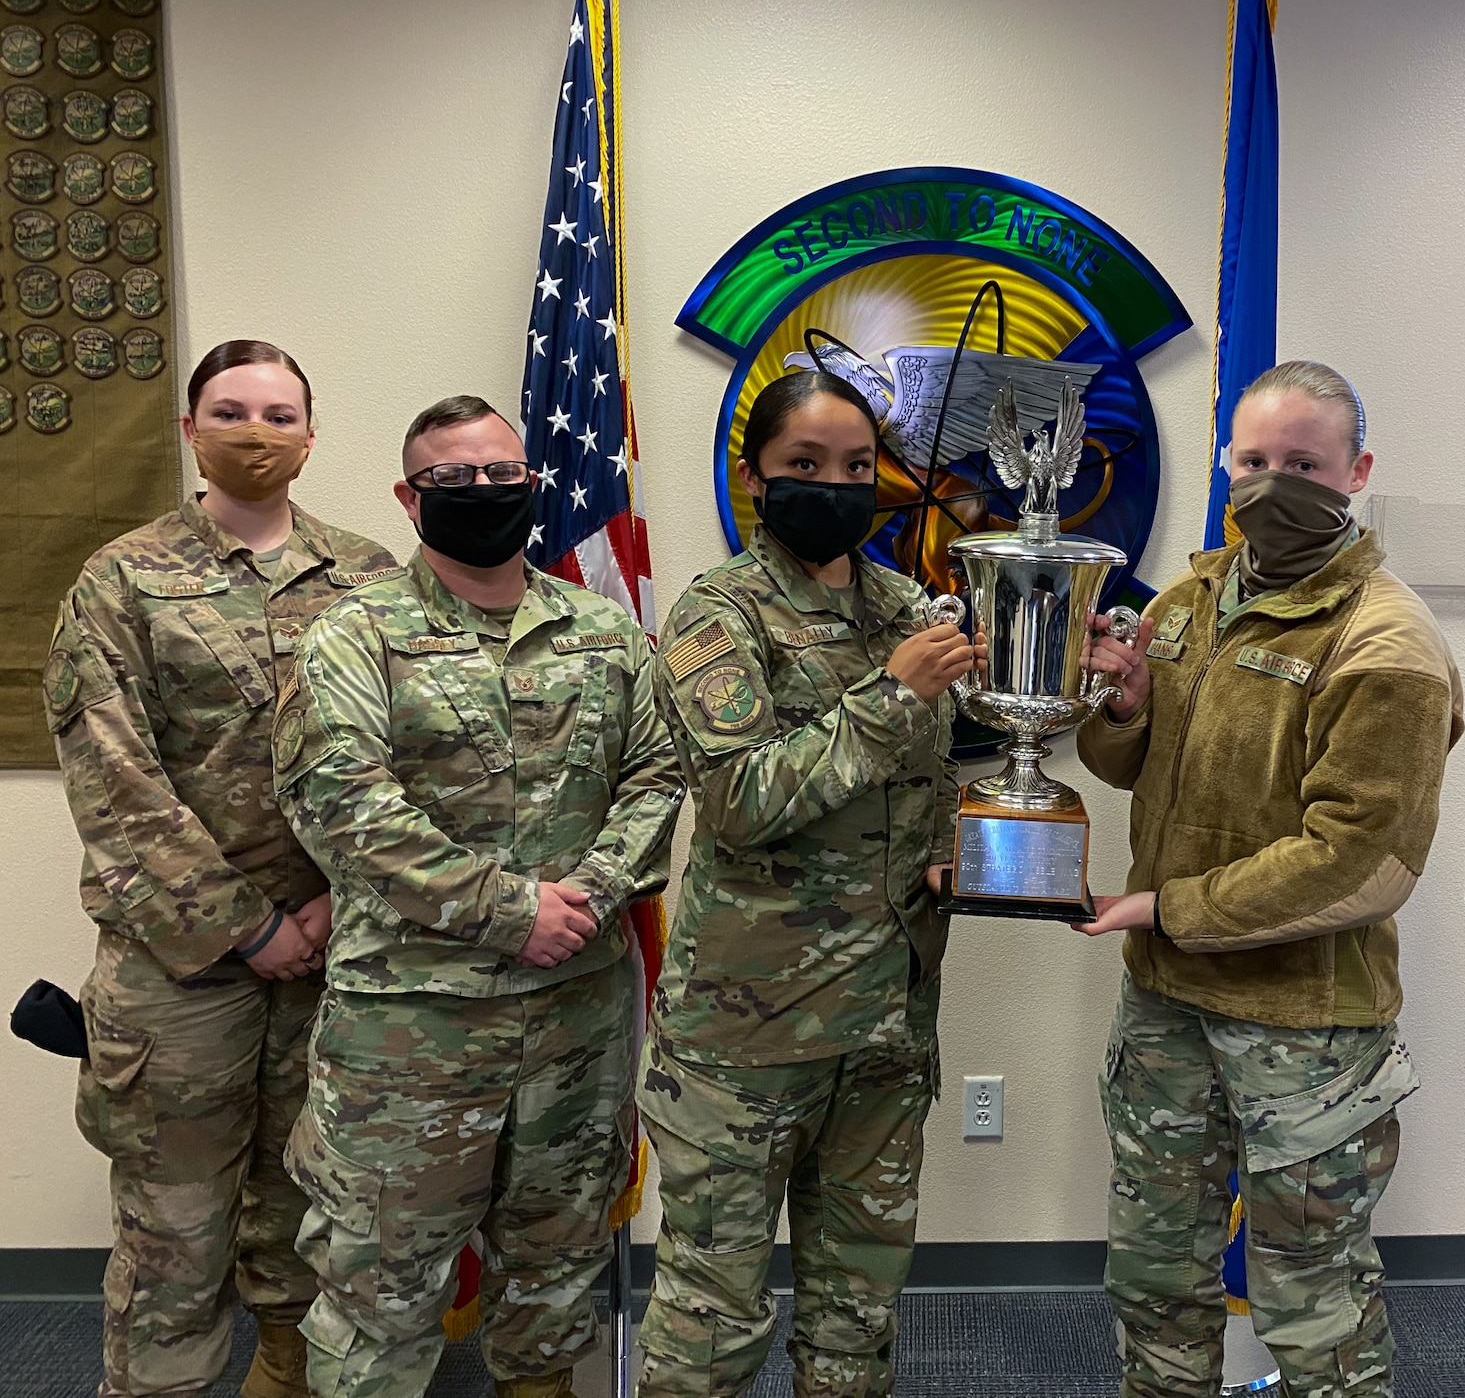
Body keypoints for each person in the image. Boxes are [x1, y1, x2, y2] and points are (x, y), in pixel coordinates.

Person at [273, 394, 682, 1398]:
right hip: (410, 1037)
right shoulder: (353, 635)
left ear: (533, 486)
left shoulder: (602, 629)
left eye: (503, 475)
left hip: (574, 1029)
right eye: (455, 480)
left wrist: (583, 896)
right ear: (410, 498)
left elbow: (658, 773)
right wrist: (512, 912)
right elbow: (343, 805)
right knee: (378, 1301)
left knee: (552, 1288)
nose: (484, 494)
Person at [1075, 360, 1464, 1398]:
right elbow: (1127, 768)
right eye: (1252, 460)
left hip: (1304, 1027)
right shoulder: (1189, 598)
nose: (1271, 481)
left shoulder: (1386, 639)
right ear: (1222, 459)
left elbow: (1361, 863)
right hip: (1166, 1008)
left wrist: (1171, 909)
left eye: (1301, 462)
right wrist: (1119, 710)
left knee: (1312, 1303)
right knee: (1154, 1275)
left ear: (1356, 470)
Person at [44, 340, 398, 1398]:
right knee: (176, 1240)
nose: (258, 432)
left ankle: (285, 1378)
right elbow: (115, 783)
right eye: (232, 411)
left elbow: (410, 754)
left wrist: (341, 898)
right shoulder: (122, 579)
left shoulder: (370, 577)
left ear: (311, 434)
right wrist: (251, 926)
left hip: (336, 953)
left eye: (280, 415)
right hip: (182, 971)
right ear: (190, 429)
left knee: (314, 1221)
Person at [636, 369, 974, 1398]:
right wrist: (886, 696)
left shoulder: (903, 607)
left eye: (858, 467)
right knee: (712, 1313)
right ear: (754, 480)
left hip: (883, 1023)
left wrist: (967, 845)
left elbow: (941, 769)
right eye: (804, 466)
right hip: (751, 1035)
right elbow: (739, 800)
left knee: (857, 1311)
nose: (835, 484)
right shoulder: (716, 615)